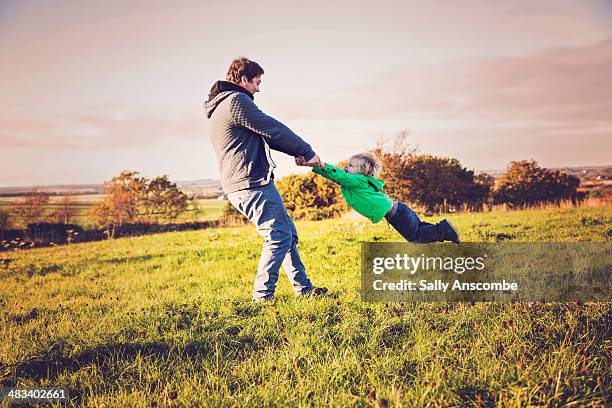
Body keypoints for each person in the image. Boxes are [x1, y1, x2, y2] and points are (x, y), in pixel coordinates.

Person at [204, 57, 328, 302]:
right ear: (243, 80)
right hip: (250, 183)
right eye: (256, 82)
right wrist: (308, 151)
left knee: (287, 233)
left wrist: (299, 152)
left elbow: (268, 137)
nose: (258, 88)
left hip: (247, 183)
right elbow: (272, 129)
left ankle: (304, 290)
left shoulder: (222, 105)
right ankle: (262, 298)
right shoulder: (235, 101)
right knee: (279, 236)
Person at [297, 152, 460, 243]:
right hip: (398, 211)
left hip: (397, 214)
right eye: (346, 164)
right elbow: (337, 177)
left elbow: (339, 176)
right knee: (419, 230)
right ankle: (443, 230)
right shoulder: (354, 182)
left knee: (415, 236)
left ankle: (444, 230)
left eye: (351, 166)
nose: (346, 167)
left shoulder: (358, 180)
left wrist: (321, 165)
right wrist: (316, 167)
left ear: (363, 172)